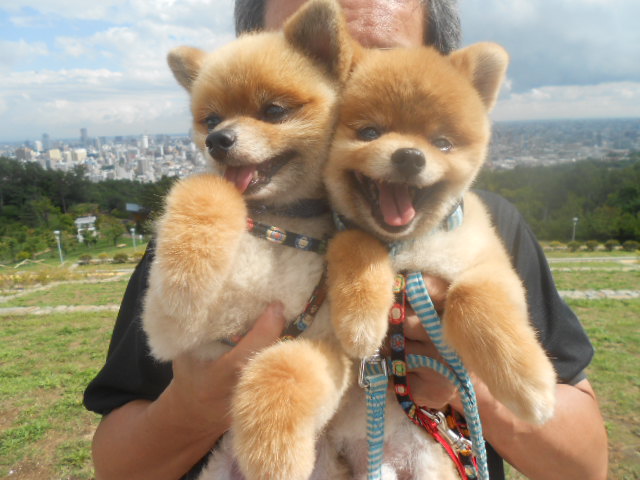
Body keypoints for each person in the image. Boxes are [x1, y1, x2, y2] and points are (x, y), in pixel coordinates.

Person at [84, 1, 609, 479]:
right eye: (321, 60)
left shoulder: (481, 226)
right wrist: (193, 407)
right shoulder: (208, 237)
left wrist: (469, 383)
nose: (350, 77)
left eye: (374, 61)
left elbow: (584, 465)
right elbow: (117, 462)